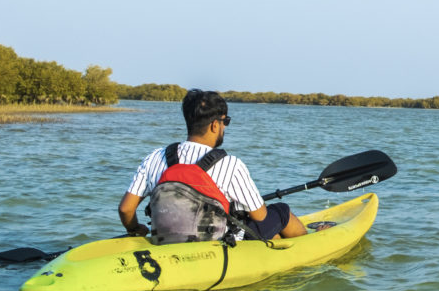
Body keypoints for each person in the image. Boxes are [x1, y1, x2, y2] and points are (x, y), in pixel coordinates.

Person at [117, 89, 307, 242]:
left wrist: (136, 228)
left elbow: (126, 209)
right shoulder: (230, 164)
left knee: (272, 232)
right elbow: (259, 216)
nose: (225, 128)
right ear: (215, 125)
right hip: (218, 243)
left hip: (165, 239)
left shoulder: (154, 157)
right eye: (226, 122)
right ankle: (307, 249)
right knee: (281, 212)